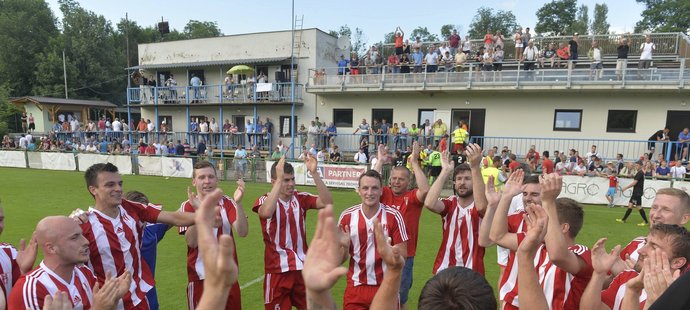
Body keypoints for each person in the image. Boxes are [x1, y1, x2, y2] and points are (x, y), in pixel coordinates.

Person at [76, 163, 197, 309]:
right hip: (108, 304)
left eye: (120, 184)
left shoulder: (131, 208)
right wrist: (69, 223)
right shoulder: (82, 225)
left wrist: (204, 215)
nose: (118, 189)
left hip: (139, 299)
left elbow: (174, 217)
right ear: (93, 189)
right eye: (110, 185)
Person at [253, 156, 333, 310]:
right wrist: (278, 180)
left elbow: (327, 202)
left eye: (292, 179)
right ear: (274, 182)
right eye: (285, 180)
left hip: (303, 269)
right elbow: (266, 213)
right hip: (277, 271)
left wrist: (315, 173)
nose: (290, 184)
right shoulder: (265, 200)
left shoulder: (300, 198)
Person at [9, 216, 129, 310]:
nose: (86, 241)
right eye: (75, 237)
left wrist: (112, 299)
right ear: (51, 248)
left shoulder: (84, 273)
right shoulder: (31, 289)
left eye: (82, 234)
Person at [179, 161, 248, 310]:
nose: (207, 181)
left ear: (216, 179)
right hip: (199, 280)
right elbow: (191, 242)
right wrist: (201, 212)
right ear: (194, 181)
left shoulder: (227, 203)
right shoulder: (188, 205)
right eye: (202, 177)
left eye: (211, 176)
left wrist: (239, 203)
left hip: (227, 279)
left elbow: (242, 232)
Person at [339, 169, 408, 309]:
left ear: (382, 190)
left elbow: (403, 255)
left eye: (374, 188)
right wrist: (344, 248)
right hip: (356, 287)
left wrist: (390, 254)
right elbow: (339, 260)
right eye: (365, 188)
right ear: (358, 190)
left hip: (386, 286)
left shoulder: (394, 216)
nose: (369, 193)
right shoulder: (347, 216)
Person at [372, 143, 429, 309]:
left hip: (405, 256)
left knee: (400, 298)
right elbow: (371, 181)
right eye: (394, 178)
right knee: (377, 294)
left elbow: (425, 190)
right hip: (379, 253)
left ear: (408, 181)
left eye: (401, 179)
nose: (396, 182)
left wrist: (415, 164)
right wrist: (381, 161)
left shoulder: (412, 198)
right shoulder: (385, 193)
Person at [580, 224, 690, 310]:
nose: (640, 251)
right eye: (645, 243)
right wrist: (599, 273)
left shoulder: (682, 297)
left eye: (654, 247)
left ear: (677, 262)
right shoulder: (627, 277)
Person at [423, 144, 488, 275]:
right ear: (454, 183)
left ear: (474, 181)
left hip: (472, 271)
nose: (462, 182)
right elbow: (429, 203)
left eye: (467, 179)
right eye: (458, 179)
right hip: (445, 268)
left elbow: (482, 207)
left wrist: (475, 167)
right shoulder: (450, 203)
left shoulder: (481, 205)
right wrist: (445, 171)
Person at [124, 191, 171, 310]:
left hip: (143, 299)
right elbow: (177, 217)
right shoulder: (152, 232)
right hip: (141, 297)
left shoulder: (110, 234)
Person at [617, 161, 649, 226]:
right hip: (636, 192)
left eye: (637, 165)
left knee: (638, 206)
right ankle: (623, 220)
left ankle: (646, 221)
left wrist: (625, 188)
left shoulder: (639, 173)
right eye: (635, 165)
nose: (636, 166)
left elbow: (634, 183)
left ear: (640, 166)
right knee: (630, 205)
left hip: (637, 193)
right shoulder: (640, 173)